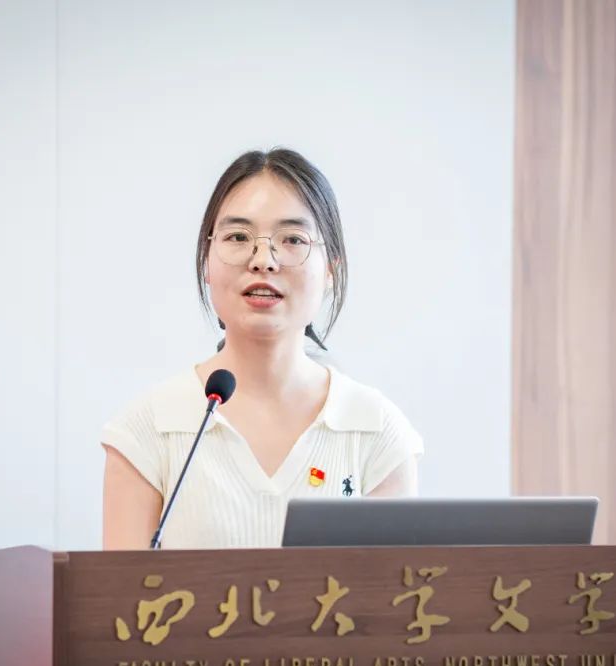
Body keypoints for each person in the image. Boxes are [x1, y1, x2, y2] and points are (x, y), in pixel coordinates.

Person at [100, 148, 423, 549]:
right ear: (206, 262)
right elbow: (123, 589)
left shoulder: (376, 430)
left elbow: (393, 586)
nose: (263, 260)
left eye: (293, 239)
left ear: (330, 270)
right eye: (238, 237)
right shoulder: (146, 431)